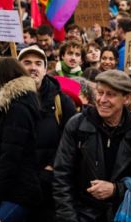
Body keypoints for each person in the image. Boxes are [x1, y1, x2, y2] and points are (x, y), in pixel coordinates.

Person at [52, 70, 131, 221]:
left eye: (110, 94)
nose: (102, 99)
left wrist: (115, 190)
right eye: (100, 93)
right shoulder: (77, 125)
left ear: (126, 98)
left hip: (120, 214)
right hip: (81, 215)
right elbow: (61, 177)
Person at [0, 58, 43, 222]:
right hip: (9, 192)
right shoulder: (10, 107)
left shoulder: (17, 109)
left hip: (18, 193)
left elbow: (9, 159)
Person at [17, 45, 77, 218]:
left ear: (45, 69)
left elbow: (71, 140)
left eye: (38, 63)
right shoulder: (7, 99)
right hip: (18, 184)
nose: (33, 67)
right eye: (27, 63)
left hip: (50, 186)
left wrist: (52, 167)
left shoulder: (61, 101)